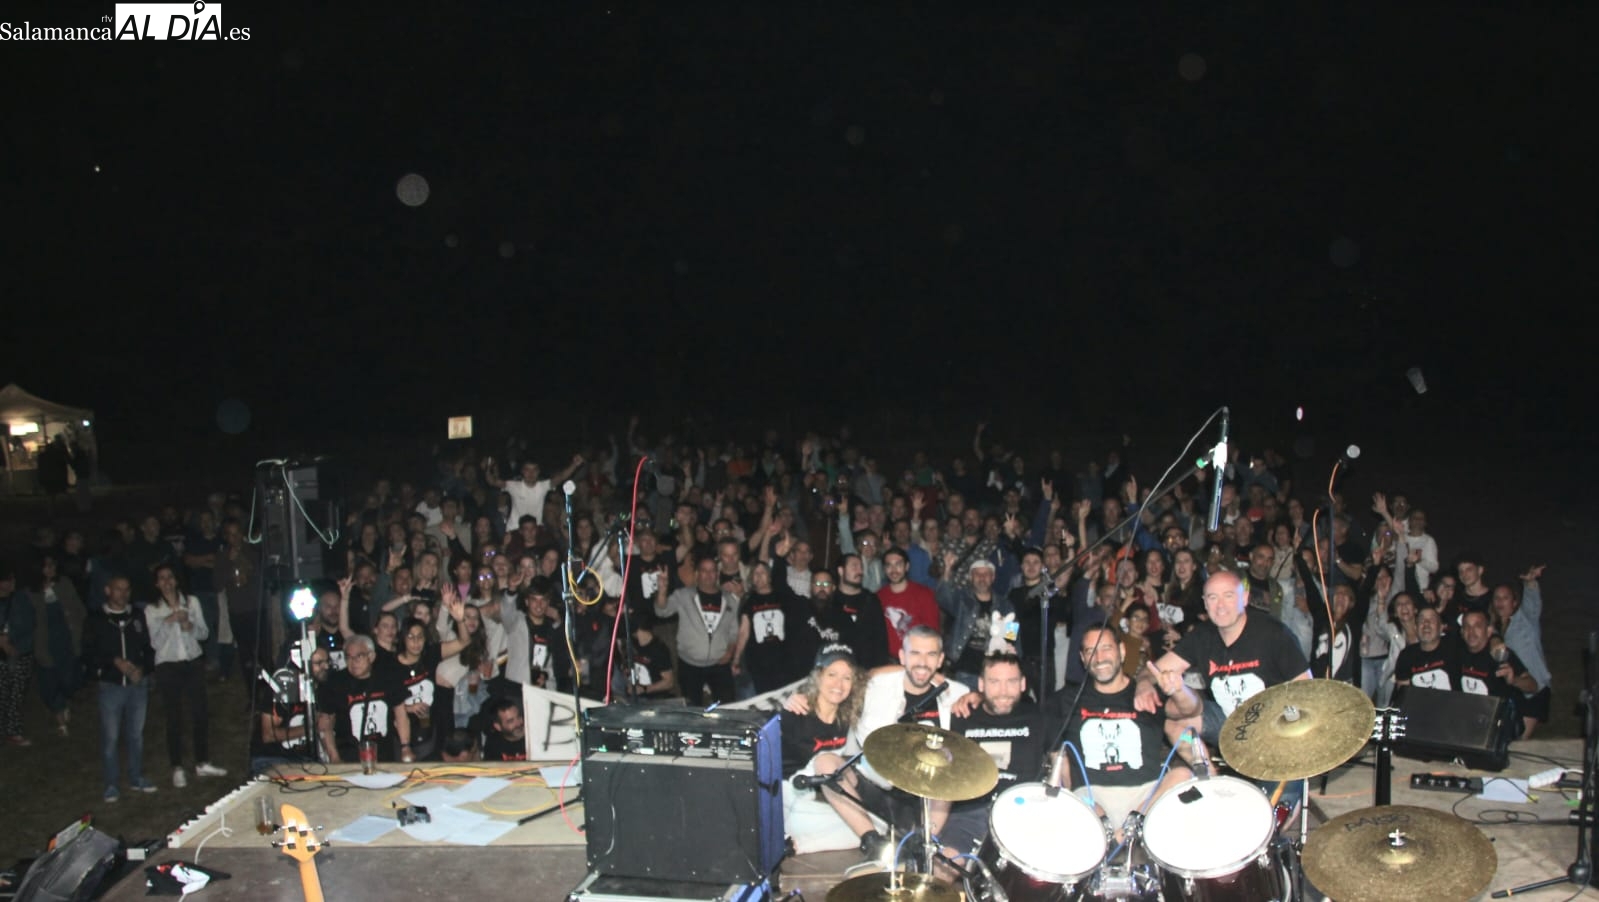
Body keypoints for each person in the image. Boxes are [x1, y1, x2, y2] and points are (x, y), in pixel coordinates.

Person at [1138, 572, 1311, 779]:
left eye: (1228, 596)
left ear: (1244, 598)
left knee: (1277, 807)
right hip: (1228, 720)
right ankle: (1211, 780)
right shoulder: (1202, 636)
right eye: (1212, 597)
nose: (1220, 605)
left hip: (1272, 728)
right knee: (1174, 721)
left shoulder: (1274, 633)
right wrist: (1143, 686)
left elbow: (1305, 689)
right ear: (1205, 603)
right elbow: (1153, 670)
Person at [1059, 624, 1192, 839]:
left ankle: (1131, 826)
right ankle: (1112, 833)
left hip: (1145, 797)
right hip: (1092, 797)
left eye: (1106, 648)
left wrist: (1180, 690)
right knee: (1075, 796)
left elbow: (1191, 711)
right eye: (1090, 651)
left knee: (1182, 774)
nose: (1099, 657)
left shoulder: (1148, 694)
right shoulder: (1066, 700)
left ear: (1121, 651)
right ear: (1083, 658)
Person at [941, 652, 1050, 857]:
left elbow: (1061, 764)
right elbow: (948, 775)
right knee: (946, 864)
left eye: (1011, 682)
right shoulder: (962, 717)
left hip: (1023, 814)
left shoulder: (1038, 718)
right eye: (994, 682)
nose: (1003, 691)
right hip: (969, 814)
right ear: (981, 685)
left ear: (1023, 684)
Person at [780, 649, 869, 854]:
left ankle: (796, 846)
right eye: (832, 675)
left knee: (872, 826)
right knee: (865, 826)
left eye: (847, 678)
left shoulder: (845, 718)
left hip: (816, 802)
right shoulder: (797, 710)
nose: (839, 684)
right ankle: (792, 840)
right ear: (818, 677)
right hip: (791, 802)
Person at [146, 564, 226, 786]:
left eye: (170, 577)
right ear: (156, 583)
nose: (167, 582)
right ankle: (177, 767)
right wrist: (169, 621)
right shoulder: (152, 610)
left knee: (200, 713)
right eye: (161, 578)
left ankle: (202, 762)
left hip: (192, 663)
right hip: (167, 666)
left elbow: (204, 633)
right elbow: (155, 642)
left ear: (176, 580)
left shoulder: (191, 602)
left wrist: (187, 624)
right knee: (174, 717)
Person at [82, 576, 158, 801]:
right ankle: (111, 784)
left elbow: (147, 647)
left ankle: (136, 778)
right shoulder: (96, 619)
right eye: (118, 589)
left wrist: (142, 669)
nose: (123, 594)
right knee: (111, 738)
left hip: (137, 685)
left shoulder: (136, 615)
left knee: (136, 735)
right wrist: (115, 662)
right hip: (111, 686)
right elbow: (89, 652)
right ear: (107, 590)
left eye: (127, 590)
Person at [655, 557, 742, 705]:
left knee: (728, 707)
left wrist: (730, 651)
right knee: (692, 709)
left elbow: (734, 632)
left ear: (717, 574)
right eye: (704, 571)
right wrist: (662, 591)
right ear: (697, 574)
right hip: (690, 665)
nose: (708, 575)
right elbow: (662, 611)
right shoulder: (683, 595)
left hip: (719, 665)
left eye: (712, 571)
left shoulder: (730, 600)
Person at [316, 634, 414, 764]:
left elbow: (401, 715)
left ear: (371, 656)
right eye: (349, 657)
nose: (353, 662)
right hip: (349, 756)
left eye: (359, 656)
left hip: (384, 755)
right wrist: (334, 757)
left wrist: (405, 747)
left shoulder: (387, 678)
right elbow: (325, 724)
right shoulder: (336, 683)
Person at [1457, 609, 1536, 741]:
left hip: (1500, 728)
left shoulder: (1500, 654)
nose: (1471, 632)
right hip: (1471, 725)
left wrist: (1513, 680)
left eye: (1477, 626)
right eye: (1467, 626)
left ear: (1488, 631)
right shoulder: (1458, 654)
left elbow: (1533, 685)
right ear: (1462, 632)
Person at [251, 647, 332, 774]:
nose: (326, 666)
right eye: (319, 663)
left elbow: (326, 727)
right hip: (272, 757)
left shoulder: (323, 687)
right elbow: (268, 735)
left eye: (327, 661)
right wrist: (311, 728)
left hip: (305, 759)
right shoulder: (284, 686)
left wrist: (336, 761)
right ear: (301, 664)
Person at [1492, 566, 1552, 738]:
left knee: (1520, 740)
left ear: (1514, 602)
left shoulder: (1525, 621)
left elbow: (1533, 604)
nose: (1500, 602)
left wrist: (1530, 583)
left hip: (1536, 689)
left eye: (1505, 598)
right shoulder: (1495, 629)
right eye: (1497, 598)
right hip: (1514, 688)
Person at [31, 554, 85, 737]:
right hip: (45, 643)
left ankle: (64, 701)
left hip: (67, 639)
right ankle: (60, 718)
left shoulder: (64, 583)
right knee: (49, 681)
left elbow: (79, 608)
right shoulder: (30, 592)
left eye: (53, 565)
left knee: (69, 678)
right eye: (46, 566)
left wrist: (78, 626)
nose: (50, 569)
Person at [876, 548, 939, 659]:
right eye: (889, 565)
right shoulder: (877, 597)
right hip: (887, 659)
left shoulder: (924, 594)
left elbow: (932, 632)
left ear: (907, 567)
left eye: (898, 564)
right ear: (884, 569)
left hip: (917, 658)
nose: (894, 570)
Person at [0, 564, 36, 746]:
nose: (7, 585)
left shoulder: (20, 599)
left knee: (16, 694)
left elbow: (29, 624)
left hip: (20, 654)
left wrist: (11, 639)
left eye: (9, 580)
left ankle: (13, 731)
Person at [1394, 606, 1458, 691]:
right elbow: (1403, 694)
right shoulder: (1406, 656)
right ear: (1416, 628)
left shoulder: (1455, 651)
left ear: (1441, 628)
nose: (1426, 624)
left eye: (1432, 620)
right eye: (1421, 620)